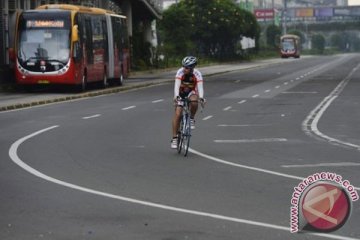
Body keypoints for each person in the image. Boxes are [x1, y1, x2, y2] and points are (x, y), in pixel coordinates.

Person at [171, 56, 205, 149]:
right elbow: (177, 85)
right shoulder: (180, 72)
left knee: (194, 101)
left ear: (192, 68)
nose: (184, 69)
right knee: (178, 114)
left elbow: (200, 87)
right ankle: (174, 138)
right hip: (181, 93)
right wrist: (176, 95)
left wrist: (201, 97)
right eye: (183, 66)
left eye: (186, 67)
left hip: (191, 92)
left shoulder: (197, 74)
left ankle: (191, 118)